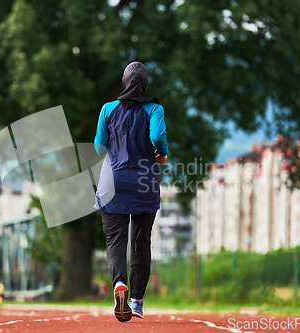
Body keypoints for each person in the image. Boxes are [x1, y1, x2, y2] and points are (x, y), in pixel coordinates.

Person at [94, 61, 168, 322]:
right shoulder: (154, 108)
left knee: (115, 241)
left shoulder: (108, 108)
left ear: (124, 82)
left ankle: (118, 284)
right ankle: (136, 301)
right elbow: (158, 136)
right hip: (144, 183)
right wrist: (162, 153)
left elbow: (99, 147)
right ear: (145, 83)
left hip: (111, 183)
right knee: (140, 242)